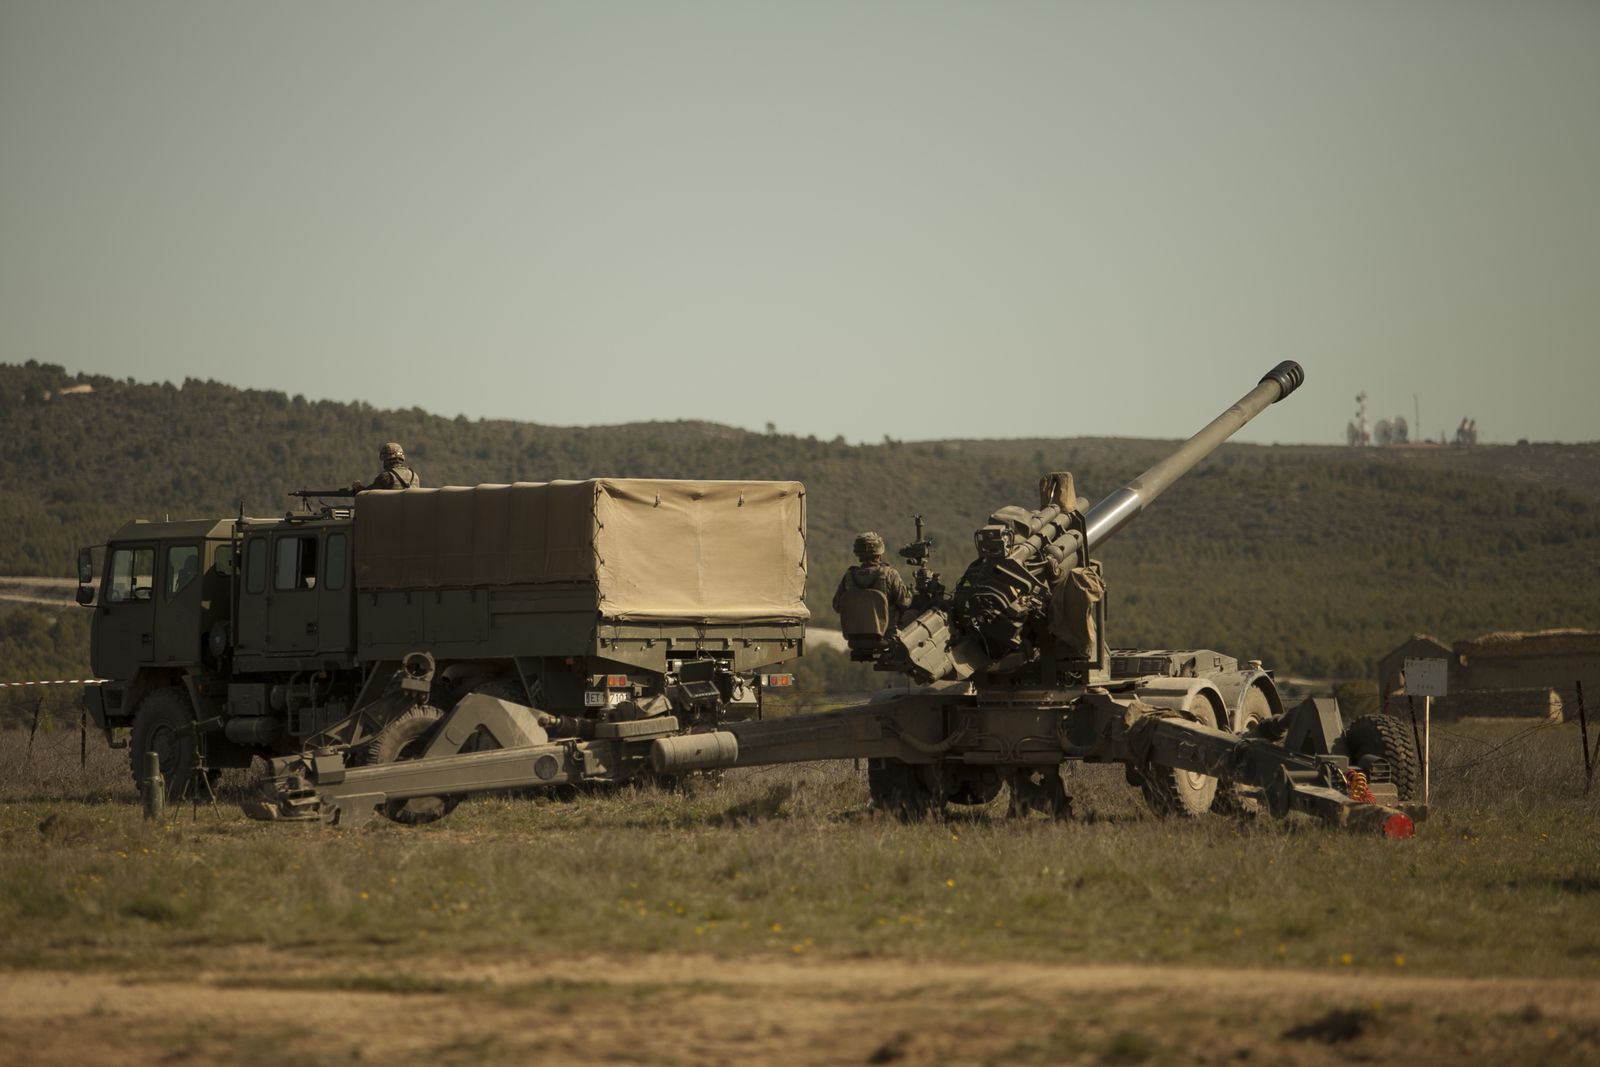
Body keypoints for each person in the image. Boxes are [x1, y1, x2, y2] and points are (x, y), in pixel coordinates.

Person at [832, 531, 912, 617]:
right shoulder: (890, 574)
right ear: (879, 554)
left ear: (858, 553)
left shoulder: (849, 576)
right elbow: (905, 603)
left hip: (854, 630)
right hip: (886, 630)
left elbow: (837, 606)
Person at [355, 441, 420, 490]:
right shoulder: (414, 476)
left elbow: (369, 494)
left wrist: (359, 488)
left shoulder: (386, 476)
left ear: (386, 460)